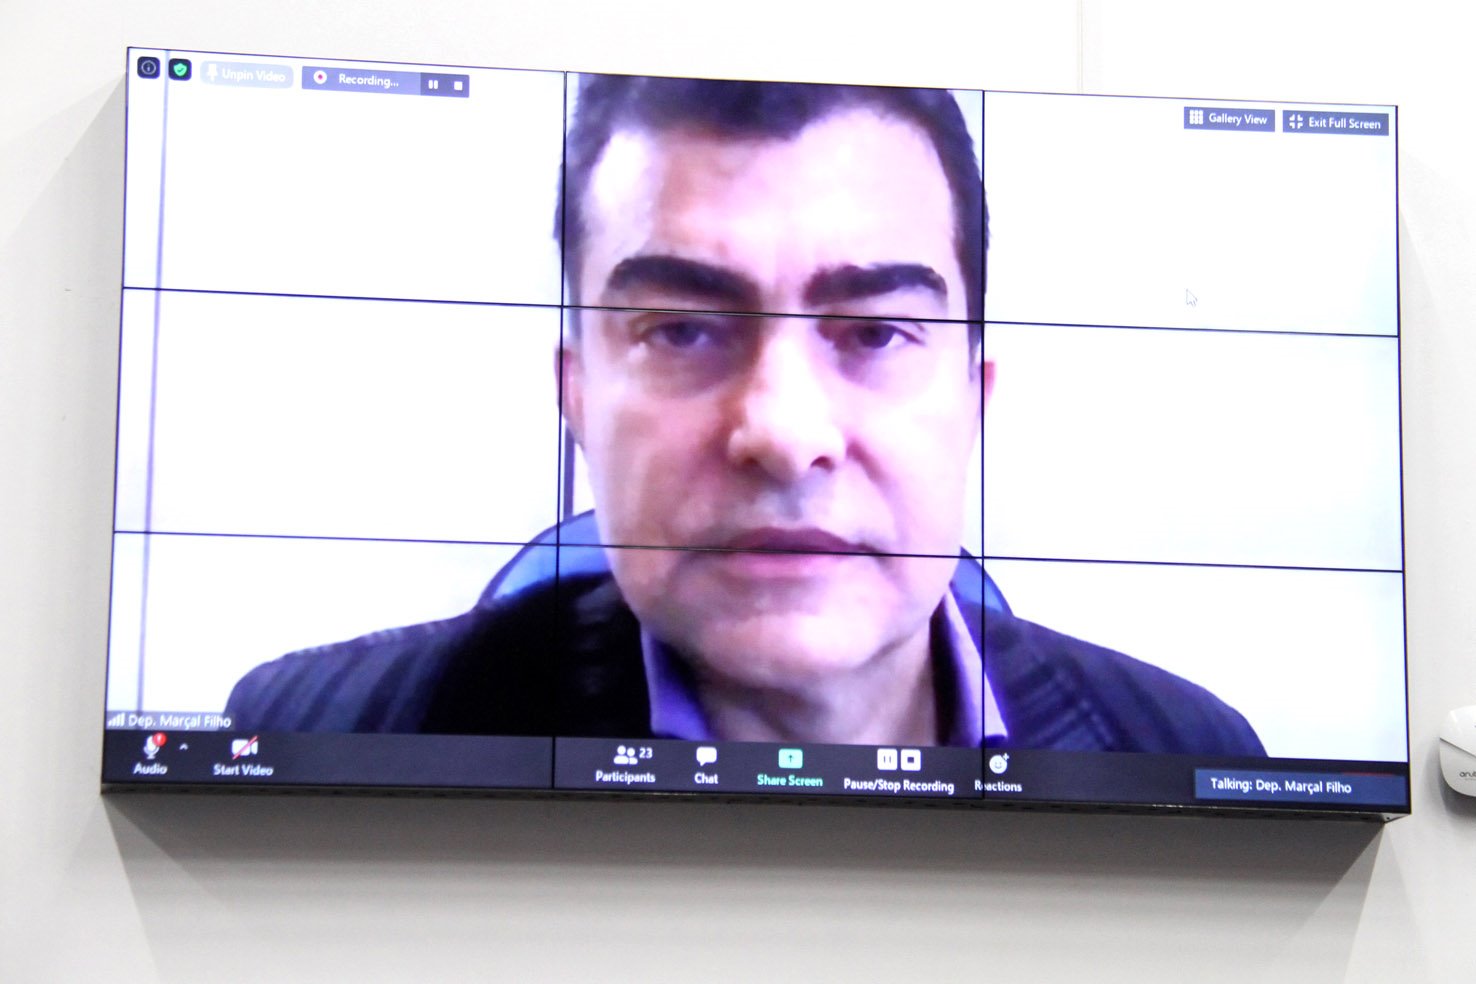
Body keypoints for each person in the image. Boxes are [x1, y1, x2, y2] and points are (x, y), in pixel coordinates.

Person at [226, 75, 1264, 756]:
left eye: (875, 333)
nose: (784, 434)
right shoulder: (315, 730)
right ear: (575, 397)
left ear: (973, 401)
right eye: (682, 330)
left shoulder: (1186, 750)